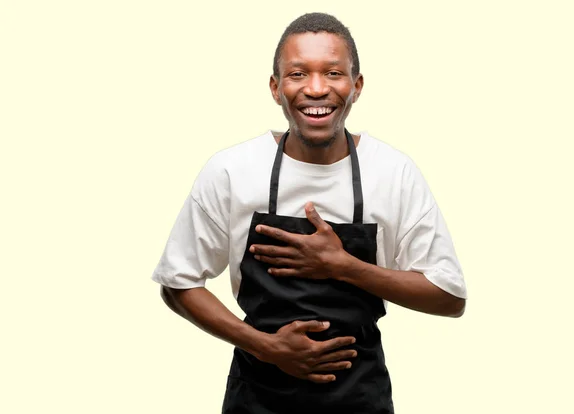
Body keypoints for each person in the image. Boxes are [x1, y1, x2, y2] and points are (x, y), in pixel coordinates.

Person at [152, 12, 467, 414]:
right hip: (256, 398)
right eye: (298, 74)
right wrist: (266, 347)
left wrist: (344, 266)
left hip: (360, 398)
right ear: (275, 87)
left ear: (356, 86)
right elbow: (177, 282)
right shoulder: (232, 169)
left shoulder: (393, 172)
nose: (316, 89)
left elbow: (449, 296)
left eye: (333, 73)